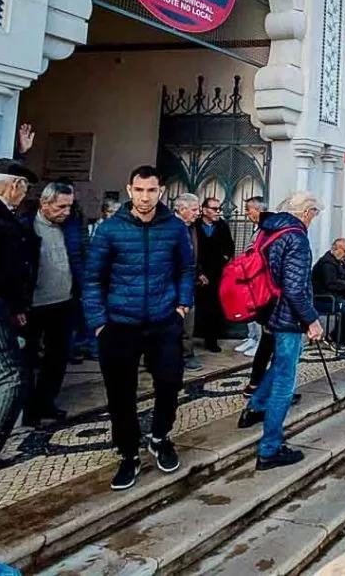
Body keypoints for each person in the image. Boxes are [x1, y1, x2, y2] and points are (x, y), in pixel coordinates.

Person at [83, 165, 195, 490]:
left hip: (163, 321)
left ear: (161, 191)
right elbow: (92, 279)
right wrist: (99, 324)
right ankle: (128, 453)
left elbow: (186, 268)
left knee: (170, 382)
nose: (145, 197)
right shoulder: (109, 230)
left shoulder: (174, 227)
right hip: (119, 324)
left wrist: (181, 307)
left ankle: (160, 436)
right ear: (130, 190)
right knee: (120, 394)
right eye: (139, 190)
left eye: (151, 190)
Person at [236, 193, 324, 470]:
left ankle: (255, 406)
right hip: (287, 316)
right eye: (314, 214)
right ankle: (270, 448)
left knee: (282, 362)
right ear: (306, 212)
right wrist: (312, 320)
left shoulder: (268, 230)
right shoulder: (296, 237)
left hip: (268, 310)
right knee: (286, 380)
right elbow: (295, 288)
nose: (313, 220)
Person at [20, 182, 87, 424]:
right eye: (61, 207)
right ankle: (27, 409)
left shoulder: (72, 226)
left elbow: (80, 258)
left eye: (69, 206)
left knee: (57, 357)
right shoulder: (25, 227)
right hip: (34, 306)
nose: (66, 212)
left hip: (65, 302)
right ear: (44, 204)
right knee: (27, 360)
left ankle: (46, 402)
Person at [0, 158, 37, 469]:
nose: (24, 196)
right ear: (13, 186)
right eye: (23, 189)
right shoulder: (2, 220)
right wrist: (18, 305)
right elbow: (8, 269)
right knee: (12, 377)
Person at [195, 197, 234, 352]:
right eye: (214, 209)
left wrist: (224, 258)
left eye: (219, 209)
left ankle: (211, 340)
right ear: (204, 210)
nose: (218, 212)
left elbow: (229, 246)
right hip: (198, 272)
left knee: (215, 308)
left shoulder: (222, 225)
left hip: (217, 272)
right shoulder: (195, 226)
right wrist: (198, 272)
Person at [311, 238, 345, 347]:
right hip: (325, 298)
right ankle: (336, 337)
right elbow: (332, 284)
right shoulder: (327, 263)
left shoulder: (342, 262)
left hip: (339, 296)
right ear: (336, 249)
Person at [236, 197, 271, 356]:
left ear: (257, 210)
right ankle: (252, 337)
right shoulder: (256, 228)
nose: (247, 213)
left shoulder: (266, 230)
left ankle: (259, 341)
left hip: (258, 275)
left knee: (257, 309)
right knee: (249, 307)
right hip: (248, 273)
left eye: (248, 210)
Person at [172, 194, 203, 372]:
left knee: (187, 322)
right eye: (194, 210)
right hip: (172, 282)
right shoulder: (171, 227)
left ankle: (186, 355)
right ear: (182, 209)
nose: (197, 213)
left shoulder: (191, 227)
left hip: (188, 281)